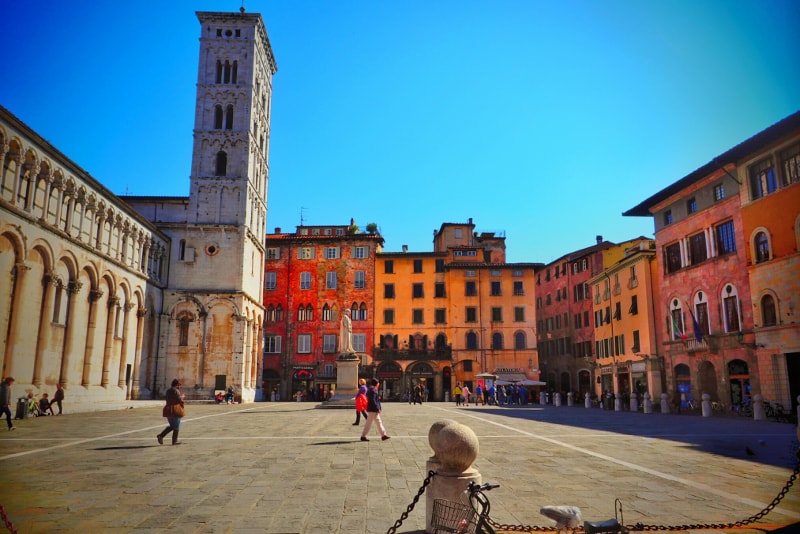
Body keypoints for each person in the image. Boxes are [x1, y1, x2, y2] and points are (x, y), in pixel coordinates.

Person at [156, 379, 185, 445]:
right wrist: (182, 397)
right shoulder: (176, 391)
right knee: (176, 426)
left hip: (168, 409)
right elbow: (180, 400)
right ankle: (174, 441)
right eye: (179, 385)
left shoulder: (168, 390)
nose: (180, 387)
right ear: (177, 385)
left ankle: (161, 436)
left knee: (172, 425)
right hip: (175, 410)